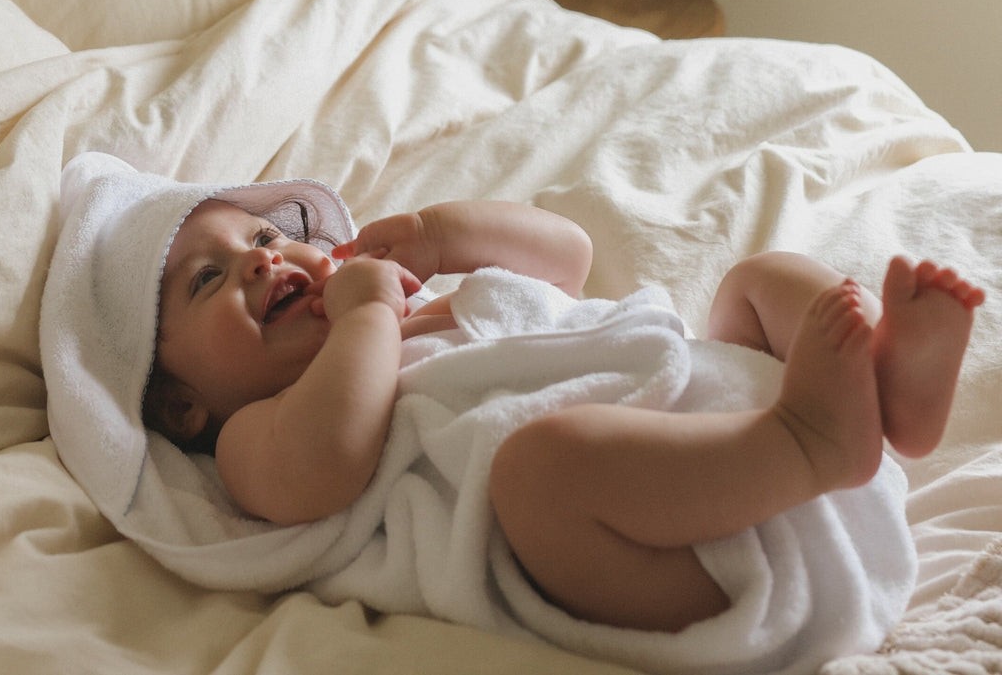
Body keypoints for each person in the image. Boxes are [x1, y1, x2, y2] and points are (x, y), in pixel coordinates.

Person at [142, 191, 984, 635]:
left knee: (755, 280)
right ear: (183, 404)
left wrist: (440, 236)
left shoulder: (411, 301)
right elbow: (328, 458)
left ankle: (887, 392)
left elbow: (566, 259)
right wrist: (366, 318)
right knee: (538, 469)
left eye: (262, 235)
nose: (259, 262)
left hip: (708, 396)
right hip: (688, 544)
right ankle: (808, 442)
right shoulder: (253, 432)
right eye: (208, 279)